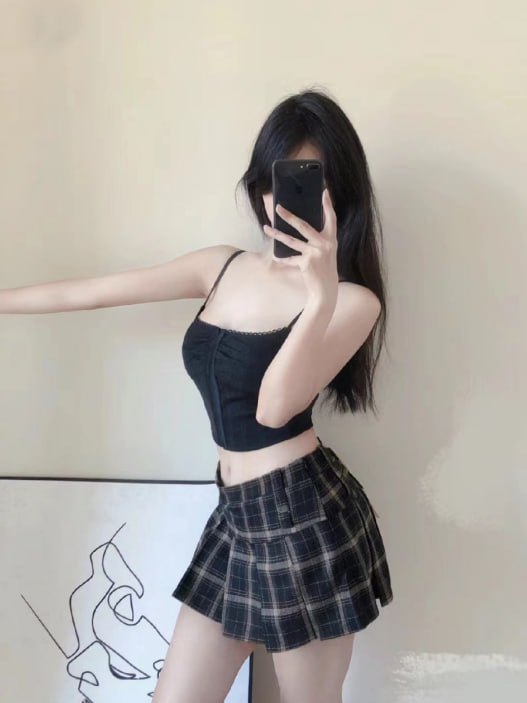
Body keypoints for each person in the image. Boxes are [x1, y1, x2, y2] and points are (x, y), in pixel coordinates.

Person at [1, 88, 393, 703]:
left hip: (303, 519)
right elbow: (94, 292)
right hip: (235, 516)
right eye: (274, 180)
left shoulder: (353, 302)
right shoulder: (222, 266)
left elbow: (273, 408)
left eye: (304, 182)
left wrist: (318, 295)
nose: (281, 201)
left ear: (336, 194)